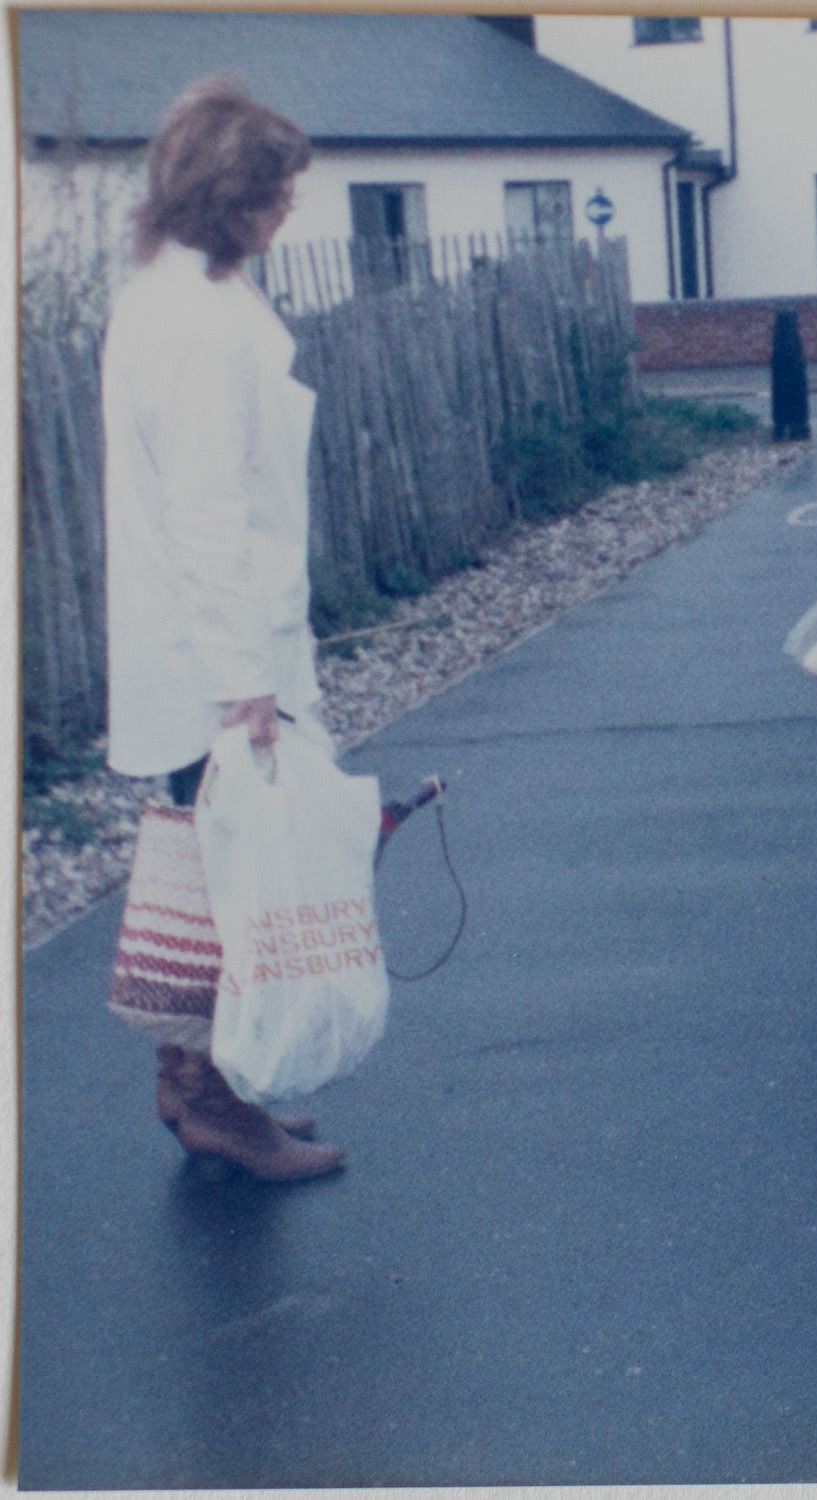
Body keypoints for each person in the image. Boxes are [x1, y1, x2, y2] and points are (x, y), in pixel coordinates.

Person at [101, 75, 344, 1180]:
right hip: (215, 651)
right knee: (231, 876)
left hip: (204, 641)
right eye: (276, 188)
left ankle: (198, 1085)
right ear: (226, 195)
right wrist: (246, 675)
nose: (290, 204)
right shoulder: (196, 320)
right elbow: (206, 511)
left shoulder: (175, 288)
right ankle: (215, 1097)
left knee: (212, 863)